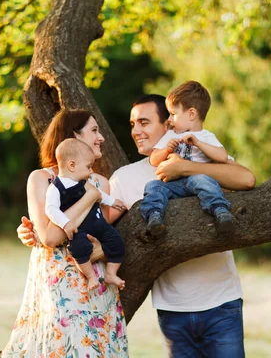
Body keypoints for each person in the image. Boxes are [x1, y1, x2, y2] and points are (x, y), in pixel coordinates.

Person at [18, 92, 255, 358]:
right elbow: (102, 230)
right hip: (171, 306)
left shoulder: (200, 156)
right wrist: (34, 232)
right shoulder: (123, 179)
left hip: (221, 300)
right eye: (132, 125)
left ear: (168, 125)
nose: (136, 131)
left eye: (144, 122)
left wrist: (185, 168)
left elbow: (246, 179)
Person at [1, 109, 128, 357]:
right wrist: (89, 198)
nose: (101, 137)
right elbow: (50, 237)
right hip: (59, 291)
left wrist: (102, 247)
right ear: (73, 138)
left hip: (96, 287)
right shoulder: (42, 179)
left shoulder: (101, 182)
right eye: (94, 130)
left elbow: (105, 233)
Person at [141, 81, 235, 237]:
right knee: (153, 186)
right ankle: (154, 216)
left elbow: (222, 157)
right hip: (174, 185)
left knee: (203, 180)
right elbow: (154, 160)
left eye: (173, 114)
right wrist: (167, 149)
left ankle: (221, 211)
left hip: (197, 182)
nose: (169, 120)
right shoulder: (171, 135)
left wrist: (198, 143)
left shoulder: (206, 136)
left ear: (191, 114)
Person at [45, 138, 127, 291]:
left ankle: (111, 273)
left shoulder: (82, 182)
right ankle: (90, 276)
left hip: (98, 224)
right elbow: (51, 209)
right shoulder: (55, 188)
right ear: (72, 165)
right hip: (79, 230)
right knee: (78, 248)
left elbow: (99, 194)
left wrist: (112, 202)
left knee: (117, 242)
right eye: (89, 167)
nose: (91, 171)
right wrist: (65, 223)